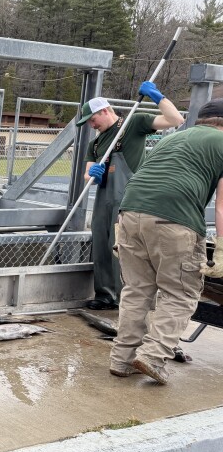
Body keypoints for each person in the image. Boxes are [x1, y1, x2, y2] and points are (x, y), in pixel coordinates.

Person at [109, 98, 223, 384]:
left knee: (137, 290)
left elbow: (146, 178)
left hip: (129, 214)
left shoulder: (171, 139)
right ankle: (153, 356)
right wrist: (221, 247)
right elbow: (222, 206)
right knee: (180, 293)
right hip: (174, 219)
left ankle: (122, 360)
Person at [80, 84, 184, 310]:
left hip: (130, 198)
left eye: (92, 119)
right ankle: (105, 295)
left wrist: (158, 97)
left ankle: (126, 297)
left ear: (105, 111)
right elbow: (87, 173)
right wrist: (93, 176)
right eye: (88, 122)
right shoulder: (95, 143)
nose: (91, 124)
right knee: (101, 244)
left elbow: (175, 120)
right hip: (103, 198)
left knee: (122, 247)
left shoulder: (132, 125)